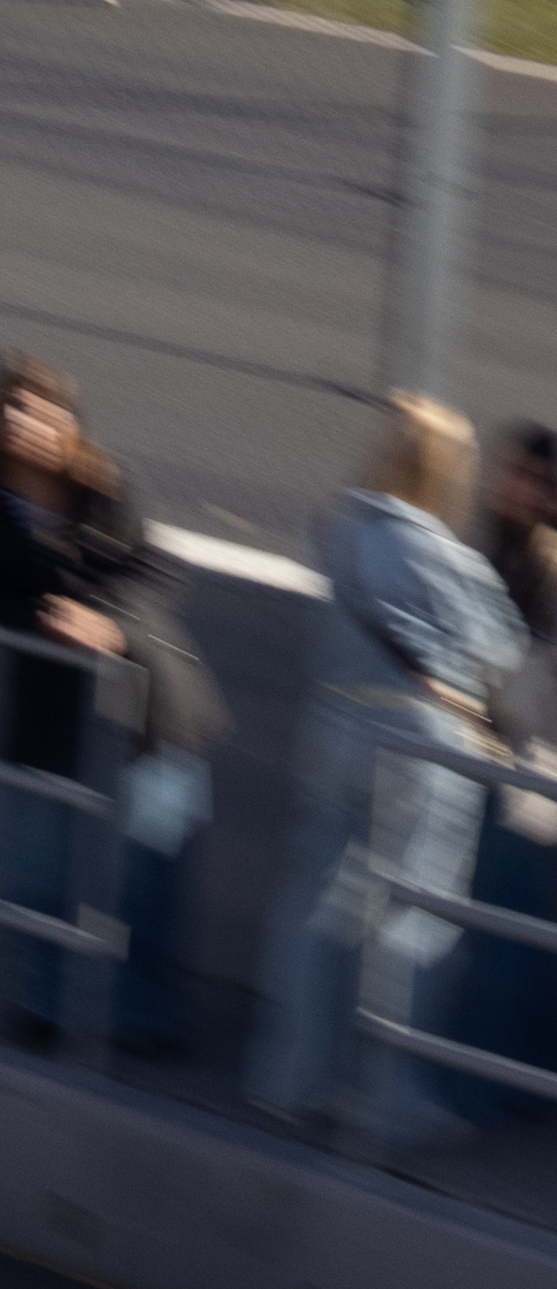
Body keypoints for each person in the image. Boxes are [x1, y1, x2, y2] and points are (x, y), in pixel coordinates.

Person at [245, 394, 527, 1155]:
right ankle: (386, 1098)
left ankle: (289, 1077)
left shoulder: (339, 530)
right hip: (421, 739)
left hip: (334, 720)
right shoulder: (443, 552)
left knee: (317, 897)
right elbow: (502, 648)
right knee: (414, 916)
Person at [0, 349, 218, 1054]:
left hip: (148, 698)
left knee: (149, 868)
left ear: (67, 423)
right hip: (44, 699)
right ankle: (41, 1001)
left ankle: (143, 1014)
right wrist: (56, 617)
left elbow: (153, 576)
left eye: (38, 411)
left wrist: (109, 625)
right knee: (34, 864)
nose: (21, 423)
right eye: (8, 408)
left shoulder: (103, 487)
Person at [449, 423, 557, 1104]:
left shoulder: (543, 566)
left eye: (534, 479)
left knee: (508, 938)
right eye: (511, 472)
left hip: (531, 774)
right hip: (506, 763)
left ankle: (489, 1092)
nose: (513, 487)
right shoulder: (497, 552)